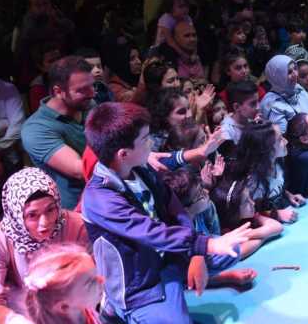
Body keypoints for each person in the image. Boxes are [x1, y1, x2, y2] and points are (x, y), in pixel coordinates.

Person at [82, 102, 253, 323]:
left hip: (168, 259)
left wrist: (197, 254)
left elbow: (177, 211)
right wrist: (205, 244)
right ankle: (116, 308)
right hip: (141, 283)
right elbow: (150, 231)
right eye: (145, 140)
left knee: (231, 249)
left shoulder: (142, 169)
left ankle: (179, 283)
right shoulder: (99, 198)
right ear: (123, 154)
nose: (151, 144)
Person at [0, 168, 89, 322]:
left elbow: (96, 276)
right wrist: (15, 320)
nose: (44, 223)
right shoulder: (0, 238)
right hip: (23, 310)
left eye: (50, 210)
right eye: (32, 215)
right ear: (16, 215)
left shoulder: (76, 226)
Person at [22, 56, 94, 209]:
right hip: (77, 210)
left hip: (111, 194)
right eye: (82, 90)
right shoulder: (36, 129)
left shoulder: (88, 104)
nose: (92, 93)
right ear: (58, 91)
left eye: (92, 86)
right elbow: (79, 169)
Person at [24, 244, 103, 324]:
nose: (102, 280)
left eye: (95, 272)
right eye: (90, 283)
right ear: (64, 307)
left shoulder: (83, 307)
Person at [260, 55, 308, 133]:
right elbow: (284, 139)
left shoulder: (298, 88)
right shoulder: (273, 106)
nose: (296, 75)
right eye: (289, 72)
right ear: (278, 77)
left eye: (295, 69)